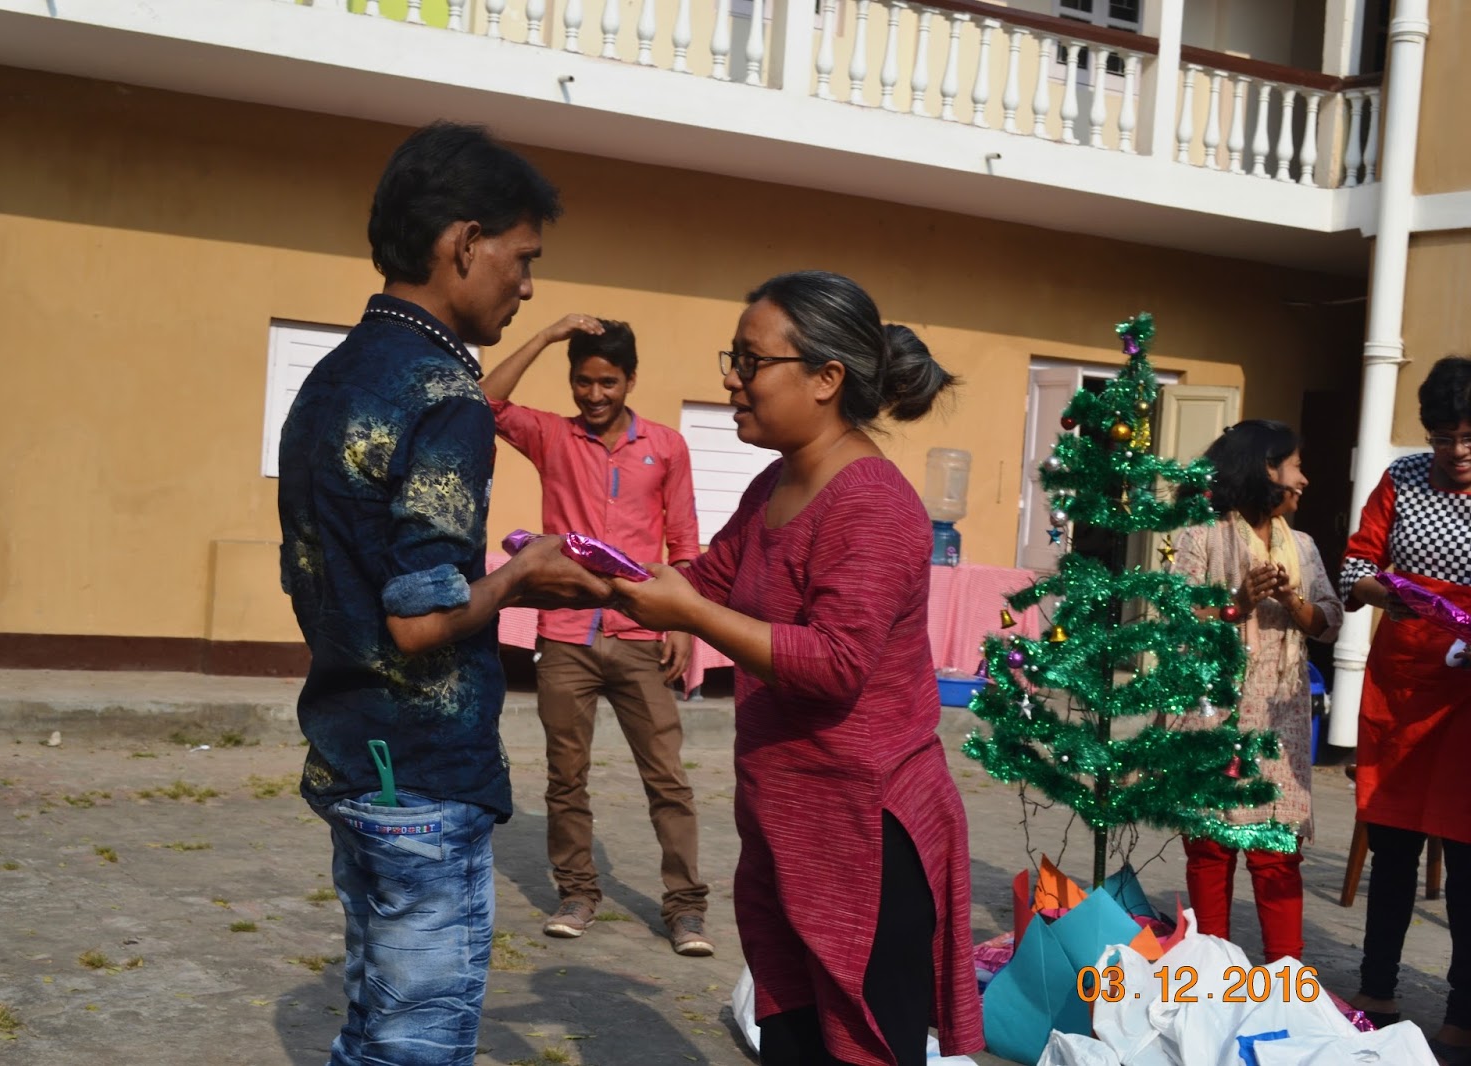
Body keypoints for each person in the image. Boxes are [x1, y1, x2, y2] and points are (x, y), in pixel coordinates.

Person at [277, 122, 612, 1066]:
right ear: (465, 243)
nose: (528, 285)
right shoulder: (445, 395)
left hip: (350, 756)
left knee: (373, 1030)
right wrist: (524, 574)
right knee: (416, 1045)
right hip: (423, 776)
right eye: (523, 257)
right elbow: (421, 621)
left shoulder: (332, 378)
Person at [611, 271, 984, 1065]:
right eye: (734, 358)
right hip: (788, 824)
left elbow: (837, 662)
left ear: (825, 378)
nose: (731, 379)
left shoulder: (872, 503)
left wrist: (691, 616)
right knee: (790, 1041)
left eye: (751, 361)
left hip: (865, 836)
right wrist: (580, 570)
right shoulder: (774, 485)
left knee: (864, 1050)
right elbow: (705, 582)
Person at [480, 315, 713, 955]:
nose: (594, 395)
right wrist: (546, 335)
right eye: (583, 381)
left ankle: (686, 909)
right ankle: (577, 893)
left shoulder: (666, 446)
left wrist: (685, 625)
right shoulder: (552, 436)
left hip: (642, 635)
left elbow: (685, 544)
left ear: (630, 379)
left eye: (608, 382)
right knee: (566, 775)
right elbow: (486, 402)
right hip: (566, 638)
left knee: (667, 779)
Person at [1172, 420, 1341, 964]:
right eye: (1296, 466)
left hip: (1279, 715)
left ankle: (1285, 982)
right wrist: (1238, 604)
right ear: (1265, 470)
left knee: (1277, 852)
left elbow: (1330, 622)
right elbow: (1177, 620)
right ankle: (1210, 973)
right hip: (1214, 711)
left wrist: (1291, 601)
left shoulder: (1303, 547)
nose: (1304, 480)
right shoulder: (1202, 537)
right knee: (1210, 848)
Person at [1342, 356, 1471, 1062]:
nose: (1457, 451)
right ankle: (1377, 992)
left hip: (1468, 699)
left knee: (1467, 858)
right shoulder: (1402, 479)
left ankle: (1462, 1014)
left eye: (1469, 437)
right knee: (1392, 847)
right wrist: (1388, 594)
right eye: (1443, 437)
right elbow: (1354, 567)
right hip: (1401, 686)